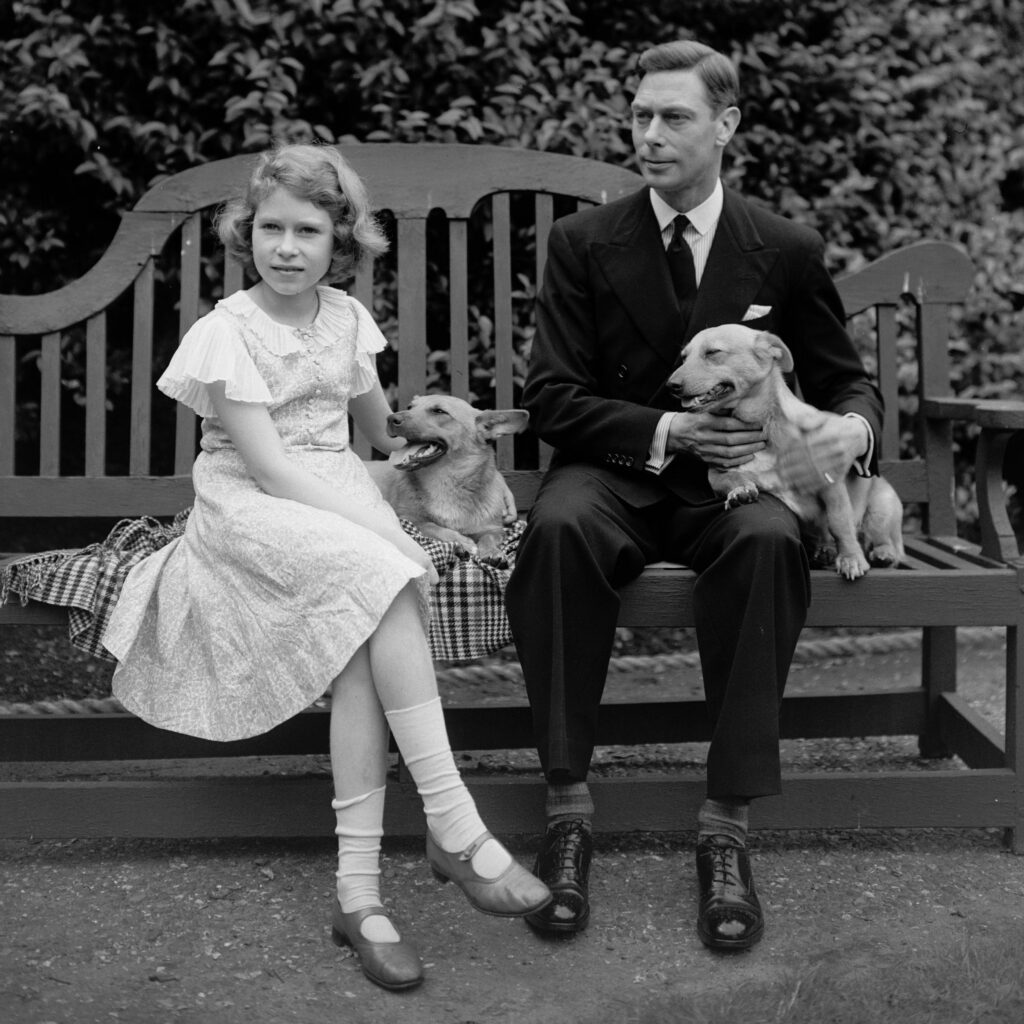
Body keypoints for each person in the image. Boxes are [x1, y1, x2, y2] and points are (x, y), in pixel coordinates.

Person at [103, 143, 550, 991]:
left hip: (340, 494)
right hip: (253, 506)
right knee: (383, 575)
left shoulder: (346, 319)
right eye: (270, 226)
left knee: (363, 650)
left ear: (339, 241)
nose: (286, 247)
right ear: (247, 233)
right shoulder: (226, 332)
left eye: (307, 230)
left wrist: (458, 453)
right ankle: (456, 829)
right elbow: (271, 470)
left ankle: (359, 896)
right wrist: (388, 534)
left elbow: (382, 435)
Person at [505, 40, 883, 949]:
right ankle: (567, 814)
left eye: (673, 117)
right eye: (640, 116)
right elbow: (552, 397)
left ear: (726, 126)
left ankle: (725, 828)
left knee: (766, 542)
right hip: (616, 473)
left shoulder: (784, 249)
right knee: (555, 529)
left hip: (743, 480)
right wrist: (667, 430)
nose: (650, 133)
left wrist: (854, 432)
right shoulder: (583, 243)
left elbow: (846, 382)